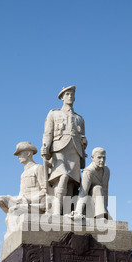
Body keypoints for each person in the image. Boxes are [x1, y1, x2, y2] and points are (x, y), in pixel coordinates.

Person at [41, 85, 87, 214]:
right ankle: (55, 212)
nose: (70, 96)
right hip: (59, 148)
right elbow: (48, 133)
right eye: (67, 94)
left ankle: (66, 213)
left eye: (72, 94)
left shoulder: (79, 118)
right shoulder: (54, 113)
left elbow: (83, 136)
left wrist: (85, 142)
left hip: (75, 150)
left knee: (72, 183)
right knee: (63, 176)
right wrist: (45, 147)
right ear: (62, 97)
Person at [0, 142, 46, 231]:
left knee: (14, 210)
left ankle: (15, 228)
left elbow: (45, 191)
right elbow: (22, 193)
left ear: (28, 153)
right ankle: (13, 220)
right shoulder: (23, 174)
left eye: (20, 153)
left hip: (35, 203)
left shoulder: (38, 168)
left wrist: (28, 200)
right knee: (0, 200)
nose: (18, 156)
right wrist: (16, 199)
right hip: (22, 201)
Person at [73, 147, 110, 219]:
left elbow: (105, 190)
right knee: (97, 188)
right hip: (87, 203)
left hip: (99, 203)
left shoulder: (106, 171)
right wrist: (78, 211)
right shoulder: (88, 172)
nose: (102, 160)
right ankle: (100, 215)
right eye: (99, 157)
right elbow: (83, 193)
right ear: (92, 158)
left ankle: (102, 213)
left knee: (99, 188)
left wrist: (105, 208)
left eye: (104, 158)